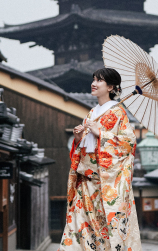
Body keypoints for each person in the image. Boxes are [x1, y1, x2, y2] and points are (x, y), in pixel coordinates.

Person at [58, 68, 142, 251]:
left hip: (105, 186)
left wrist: (101, 133)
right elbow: (83, 150)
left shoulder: (119, 113)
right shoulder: (92, 113)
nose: (93, 83)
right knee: (77, 230)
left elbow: (128, 144)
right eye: (93, 79)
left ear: (111, 87)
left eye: (99, 81)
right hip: (85, 183)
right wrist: (79, 139)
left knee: (103, 233)